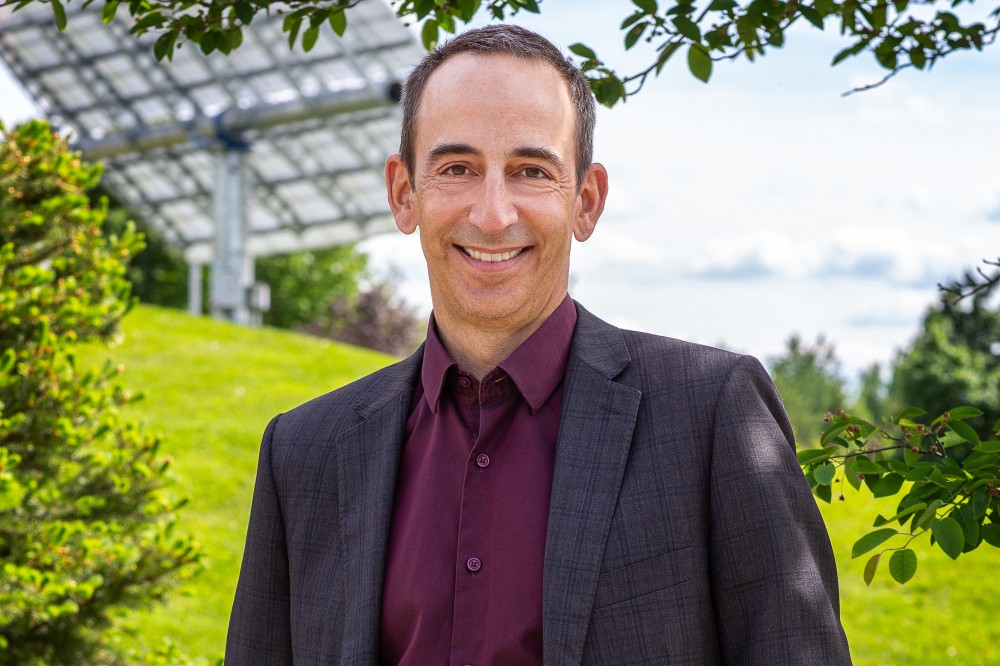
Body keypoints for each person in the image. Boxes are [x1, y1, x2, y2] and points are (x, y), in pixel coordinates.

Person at [226, 24, 852, 665]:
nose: (493, 214)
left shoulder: (710, 413)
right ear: (403, 193)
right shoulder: (303, 453)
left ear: (586, 202)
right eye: (457, 169)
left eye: (530, 171)